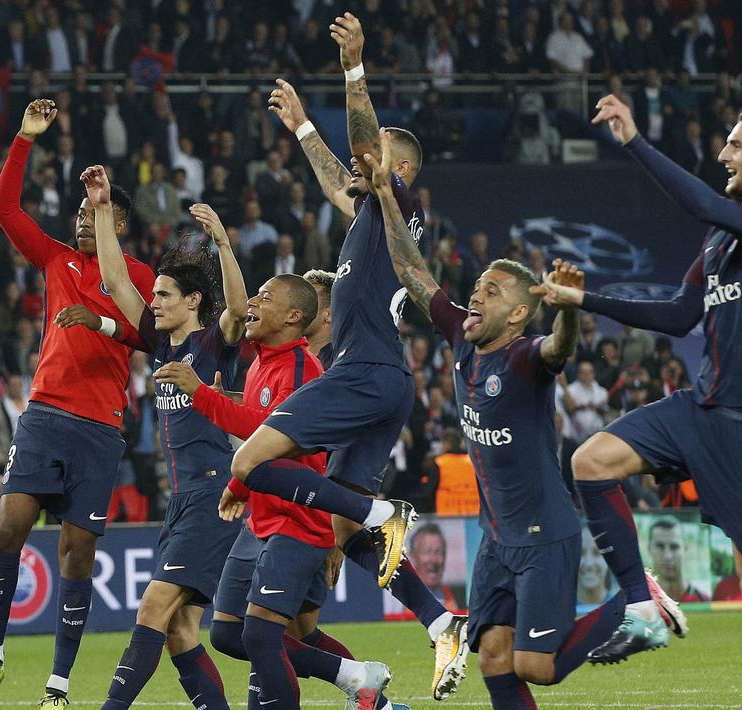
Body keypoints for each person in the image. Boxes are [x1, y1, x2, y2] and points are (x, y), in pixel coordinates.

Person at [364, 136, 687, 707]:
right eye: (477, 286)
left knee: (535, 666)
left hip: (545, 535)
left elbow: (559, 352)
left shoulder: (523, 355)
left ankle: (636, 602)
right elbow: (411, 269)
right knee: (492, 658)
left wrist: (566, 312)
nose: (475, 295)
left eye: (490, 291)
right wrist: (388, 202)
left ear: (517, 313)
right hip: (495, 539)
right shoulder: (462, 336)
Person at [540, 94, 742, 710]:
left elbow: (703, 203)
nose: (724, 153)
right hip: (700, 408)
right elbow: (678, 314)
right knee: (589, 461)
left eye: (736, 144)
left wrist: (634, 141)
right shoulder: (721, 245)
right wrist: (584, 301)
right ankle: (642, 606)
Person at [257, 17, 467, 699]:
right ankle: (440, 623)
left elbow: (363, 156)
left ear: (395, 168)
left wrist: (352, 71)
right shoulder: (370, 225)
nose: (358, 162)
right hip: (384, 384)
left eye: (371, 155)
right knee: (345, 523)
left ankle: (387, 516)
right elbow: (333, 180)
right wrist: (300, 129)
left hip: (362, 375)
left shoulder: (396, 202)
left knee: (254, 459)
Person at [0, 99, 157, 707]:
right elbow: (4, 209)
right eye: (77, 210)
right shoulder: (54, 259)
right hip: (44, 413)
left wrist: (99, 320)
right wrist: (23, 138)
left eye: (94, 212)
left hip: (99, 425)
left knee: (76, 551)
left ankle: (58, 685)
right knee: (10, 523)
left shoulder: (140, 276)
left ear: (117, 223)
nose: (80, 219)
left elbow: (147, 336)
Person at [162, 273, 399, 710]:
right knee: (231, 633)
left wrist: (201, 396)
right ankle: (359, 681)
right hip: (262, 516)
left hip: (297, 518)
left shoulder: (303, 368)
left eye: (264, 297)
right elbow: (259, 435)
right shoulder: (260, 363)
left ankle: (363, 690)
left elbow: (268, 437)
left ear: (293, 317)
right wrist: (238, 487)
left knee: (263, 634)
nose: (251, 302)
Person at [74, 166, 248, 710]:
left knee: (152, 607)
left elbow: (239, 309)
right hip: (183, 500)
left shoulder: (212, 346)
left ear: (193, 301)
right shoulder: (163, 346)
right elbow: (116, 280)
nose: (155, 301)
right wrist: (102, 208)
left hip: (214, 495)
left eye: (166, 294)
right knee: (179, 629)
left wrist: (221, 241)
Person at [647, 518, 711, 602]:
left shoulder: (704, 602)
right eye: (660, 546)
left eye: (674, 547)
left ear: (685, 549)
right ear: (649, 549)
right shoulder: (640, 602)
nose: (668, 556)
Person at [407, 524, 465, 612]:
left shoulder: (458, 599)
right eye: (427, 552)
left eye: (439, 552)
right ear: (413, 557)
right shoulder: (399, 598)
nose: (434, 560)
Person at [301, 269, 336, 368]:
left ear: (328, 315)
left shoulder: (339, 366)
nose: (297, 307)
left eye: (307, 302)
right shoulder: (285, 357)